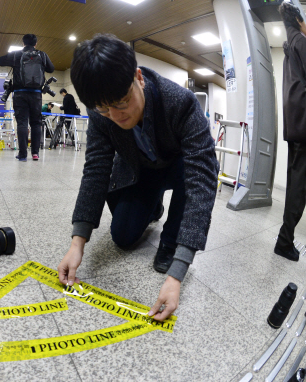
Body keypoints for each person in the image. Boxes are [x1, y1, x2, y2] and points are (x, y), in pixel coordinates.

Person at [57, 34, 219, 321]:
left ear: (138, 77)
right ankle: (153, 205)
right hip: (139, 171)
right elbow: (96, 169)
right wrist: (76, 243)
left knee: (191, 172)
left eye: (122, 102)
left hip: (178, 167)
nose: (116, 115)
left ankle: (169, 240)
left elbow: (202, 181)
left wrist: (177, 273)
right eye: (104, 109)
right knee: (122, 236)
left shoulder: (181, 102)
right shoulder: (101, 114)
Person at [275, 2, 306, 261]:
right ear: (298, 20)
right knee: (300, 186)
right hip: (304, 126)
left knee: (296, 181)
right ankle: (284, 241)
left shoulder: (289, 48)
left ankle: (284, 239)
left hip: (295, 124)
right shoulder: (302, 42)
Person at [0, 33, 55, 161]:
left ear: (23, 43)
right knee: (36, 123)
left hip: (20, 93)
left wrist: (12, 56)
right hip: (36, 94)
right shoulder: (42, 54)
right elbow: (51, 69)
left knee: (22, 123)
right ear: (36, 44)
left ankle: (23, 154)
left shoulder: (16, 54)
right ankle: (35, 153)